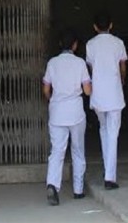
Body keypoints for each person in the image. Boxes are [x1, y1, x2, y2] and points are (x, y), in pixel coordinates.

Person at [42, 30, 92, 206]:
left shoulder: (52, 63)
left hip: (57, 112)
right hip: (76, 112)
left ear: (59, 44)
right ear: (75, 45)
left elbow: (46, 89)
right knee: (78, 150)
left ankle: (52, 185)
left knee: (57, 151)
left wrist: (53, 100)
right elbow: (87, 91)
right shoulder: (80, 63)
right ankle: (78, 190)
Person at [85, 12, 127, 190]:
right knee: (113, 133)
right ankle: (110, 177)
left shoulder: (90, 44)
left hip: (98, 94)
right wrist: (122, 80)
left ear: (95, 27)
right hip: (115, 93)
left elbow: (90, 67)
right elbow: (123, 67)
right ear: (111, 25)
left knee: (104, 129)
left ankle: (108, 170)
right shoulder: (118, 43)